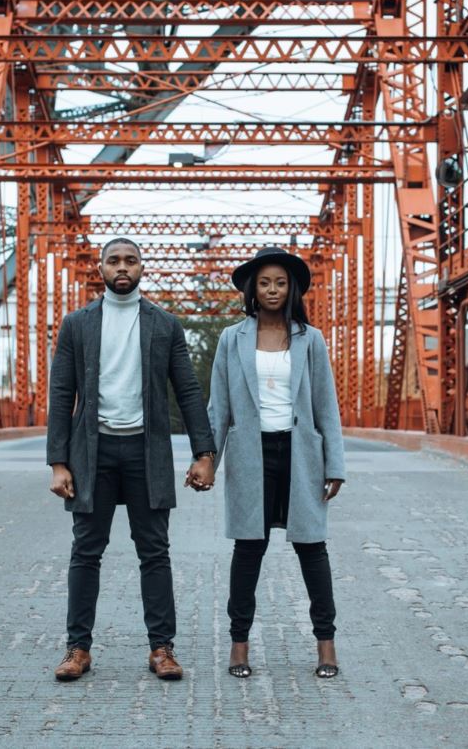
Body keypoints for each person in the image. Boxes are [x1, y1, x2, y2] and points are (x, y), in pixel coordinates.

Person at [47, 237, 216, 682]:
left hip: (146, 451)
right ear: (100, 268)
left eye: (131, 260)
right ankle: (77, 649)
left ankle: (162, 649)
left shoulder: (164, 324)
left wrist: (205, 453)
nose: (123, 267)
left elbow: (188, 391)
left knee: (154, 553)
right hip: (93, 452)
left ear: (143, 267)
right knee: (86, 552)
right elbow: (62, 394)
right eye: (114, 260)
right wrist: (58, 462)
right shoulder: (77, 324)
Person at [204, 246, 345, 678]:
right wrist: (208, 460)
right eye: (264, 282)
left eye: (280, 283)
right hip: (251, 454)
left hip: (300, 453)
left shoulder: (311, 339)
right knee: (248, 549)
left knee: (312, 549)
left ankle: (326, 646)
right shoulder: (232, 338)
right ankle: (239, 646)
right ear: (252, 288)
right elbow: (219, 407)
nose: (272, 290)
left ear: (292, 289)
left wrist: (334, 464)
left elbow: (326, 405)